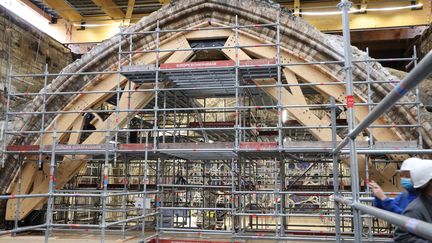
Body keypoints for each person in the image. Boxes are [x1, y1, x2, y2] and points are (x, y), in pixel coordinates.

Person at [394, 160, 432, 243]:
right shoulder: (414, 211)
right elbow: (402, 237)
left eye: (407, 175)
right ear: (429, 182)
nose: (404, 178)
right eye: (403, 175)